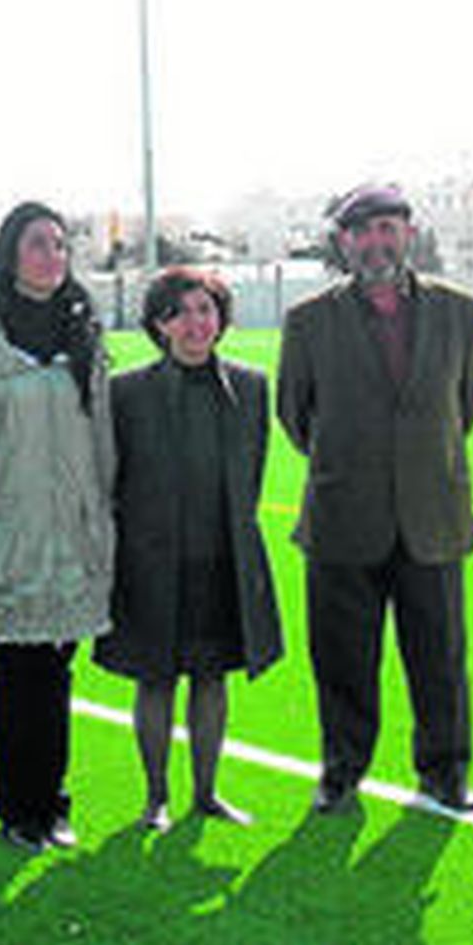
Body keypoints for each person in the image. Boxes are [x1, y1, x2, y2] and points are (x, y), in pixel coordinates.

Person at [277, 184, 473, 815]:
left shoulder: (461, 312)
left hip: (433, 515)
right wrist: (357, 463)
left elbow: (467, 403)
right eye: (362, 232)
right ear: (344, 242)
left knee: (441, 656)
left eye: (388, 228)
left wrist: (416, 462)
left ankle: (446, 771)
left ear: (409, 232)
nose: (377, 241)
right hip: (344, 515)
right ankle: (342, 770)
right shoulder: (310, 321)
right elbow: (296, 414)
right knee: (342, 658)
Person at [0, 202, 114, 852]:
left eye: (60, 244)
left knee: (57, 671)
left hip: (71, 535)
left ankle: (53, 801)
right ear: (10, 254)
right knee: (11, 674)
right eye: (38, 243)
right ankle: (15, 806)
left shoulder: (83, 337)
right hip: (2, 536)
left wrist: (104, 511)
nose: (52, 254)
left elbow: (102, 439)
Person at [94, 267, 282, 832]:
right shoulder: (126, 393)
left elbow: (253, 474)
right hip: (151, 563)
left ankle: (206, 792)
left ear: (221, 317)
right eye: (179, 312)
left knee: (212, 678)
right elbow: (112, 479)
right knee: (156, 678)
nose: (195, 323)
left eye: (205, 309)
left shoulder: (250, 387)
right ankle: (156, 797)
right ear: (159, 324)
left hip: (222, 561)